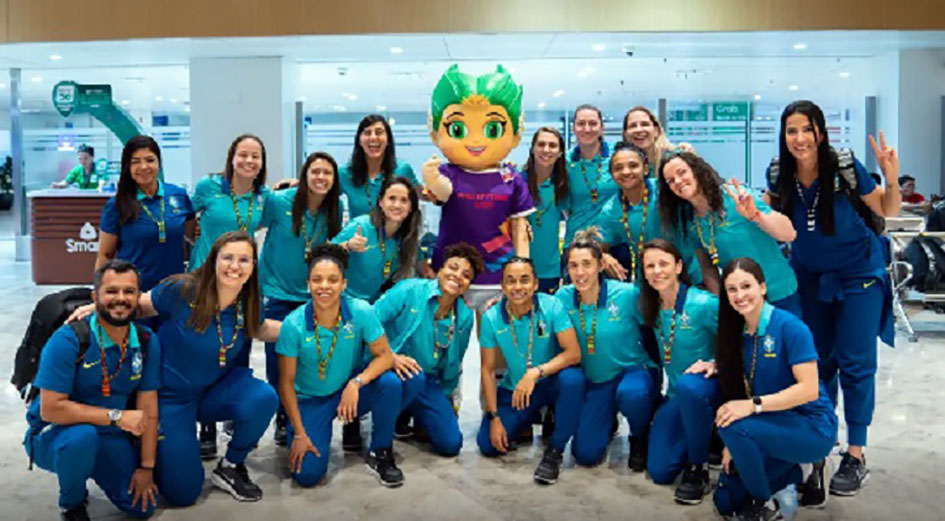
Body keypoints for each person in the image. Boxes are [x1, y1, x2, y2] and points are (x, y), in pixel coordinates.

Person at [766, 100, 899, 500]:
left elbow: (887, 210)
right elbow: (768, 223)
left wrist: (891, 179)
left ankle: (855, 454)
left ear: (820, 133)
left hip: (860, 275)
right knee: (816, 365)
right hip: (809, 280)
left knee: (856, 363)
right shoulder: (779, 175)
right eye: (792, 130)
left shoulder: (844, 167)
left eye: (807, 129)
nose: (800, 138)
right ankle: (819, 449)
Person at [26, 260, 160, 520]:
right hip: (57, 433)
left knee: (142, 507)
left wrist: (146, 468)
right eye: (111, 291)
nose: (120, 298)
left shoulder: (145, 342)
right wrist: (117, 416)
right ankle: (72, 503)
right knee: (81, 440)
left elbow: (149, 411)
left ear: (138, 297)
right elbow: (51, 409)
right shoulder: (68, 340)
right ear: (95, 297)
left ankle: (91, 466)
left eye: (129, 291)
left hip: (110, 435)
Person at [711, 257, 837, 521]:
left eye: (746, 286)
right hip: (771, 424)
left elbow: (809, 389)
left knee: (732, 424)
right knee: (727, 498)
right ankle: (801, 470)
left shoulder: (790, 327)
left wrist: (752, 407)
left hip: (810, 425)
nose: (740, 295)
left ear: (763, 287)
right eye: (732, 289)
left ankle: (763, 504)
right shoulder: (735, 331)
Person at [276, 244, 406, 487]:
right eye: (317, 280)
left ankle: (380, 450)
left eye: (333, 280)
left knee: (390, 383)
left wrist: (356, 383)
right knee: (307, 475)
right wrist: (300, 433)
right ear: (308, 284)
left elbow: (385, 356)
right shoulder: (292, 325)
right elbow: (286, 384)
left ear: (344, 284)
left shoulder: (361, 310)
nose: (324, 286)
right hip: (311, 400)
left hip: (347, 389)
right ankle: (308, 431)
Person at [422, 64, 533, 313]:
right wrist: (431, 177)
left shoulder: (511, 178)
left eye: (492, 129)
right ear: (436, 133)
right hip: (452, 275)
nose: (474, 140)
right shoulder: (448, 172)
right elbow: (442, 191)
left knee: (496, 332)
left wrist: (523, 267)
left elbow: (520, 229)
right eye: (458, 129)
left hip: (499, 274)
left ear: (515, 135)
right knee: (448, 329)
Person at [258, 152, 343, 445]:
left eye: (327, 173)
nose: (321, 177)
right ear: (304, 175)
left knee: (307, 358)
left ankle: (299, 411)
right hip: (277, 292)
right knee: (277, 359)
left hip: (311, 294)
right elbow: (251, 224)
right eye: (315, 171)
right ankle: (282, 415)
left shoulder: (334, 208)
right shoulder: (279, 201)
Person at [555, 228, 657, 471]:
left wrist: (656, 373)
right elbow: (537, 312)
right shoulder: (562, 298)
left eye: (587, 264)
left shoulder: (627, 294)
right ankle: (608, 419)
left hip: (630, 372)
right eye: (573, 266)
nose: (580, 273)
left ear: (601, 265)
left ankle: (639, 435)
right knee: (585, 454)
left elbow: (654, 328)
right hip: (597, 381)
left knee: (632, 395)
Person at [477, 257, 584, 484]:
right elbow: (487, 370)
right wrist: (493, 417)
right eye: (511, 281)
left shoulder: (552, 306)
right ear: (502, 285)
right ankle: (529, 418)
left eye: (524, 280)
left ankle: (555, 449)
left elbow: (573, 353)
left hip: (551, 381)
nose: (518, 287)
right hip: (517, 388)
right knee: (488, 444)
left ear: (535, 284)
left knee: (573, 380)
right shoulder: (491, 317)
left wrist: (536, 373)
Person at [374, 243, 484, 457]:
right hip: (392, 369)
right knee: (397, 384)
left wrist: (445, 399)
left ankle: (412, 411)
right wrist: (389, 356)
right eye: (453, 268)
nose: (457, 276)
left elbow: (455, 361)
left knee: (451, 444)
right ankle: (392, 418)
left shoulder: (464, 316)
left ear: (468, 284)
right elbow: (370, 321)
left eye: (466, 275)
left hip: (428, 380)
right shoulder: (410, 290)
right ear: (440, 269)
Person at [659, 150, 801, 314]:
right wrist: (721, 306)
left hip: (778, 294)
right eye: (670, 181)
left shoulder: (734, 197)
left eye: (682, 172)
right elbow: (707, 268)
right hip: (742, 301)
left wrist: (758, 216)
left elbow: (789, 234)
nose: (678, 181)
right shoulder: (689, 219)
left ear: (696, 170)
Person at [637, 239, 719, 505]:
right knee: (660, 471)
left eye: (663, 264)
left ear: (679, 266)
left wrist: (717, 362)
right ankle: (704, 435)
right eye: (650, 266)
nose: (657, 271)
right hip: (676, 395)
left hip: (707, 389)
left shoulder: (703, 303)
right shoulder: (650, 306)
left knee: (689, 386)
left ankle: (698, 467)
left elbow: (741, 337)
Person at [97, 136, 195, 296]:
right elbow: (105, 255)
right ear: (127, 166)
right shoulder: (116, 205)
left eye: (150, 160)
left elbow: (191, 236)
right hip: (134, 293)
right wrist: (101, 293)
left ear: (159, 163)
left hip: (174, 291)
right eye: (135, 162)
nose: (143, 167)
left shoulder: (178, 195)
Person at [332, 176, 422, 303]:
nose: (397, 205)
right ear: (381, 202)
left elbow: (420, 264)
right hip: (341, 299)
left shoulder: (407, 238)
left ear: (411, 207)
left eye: (404, 200)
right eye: (392, 198)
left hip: (374, 304)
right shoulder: (361, 226)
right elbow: (325, 254)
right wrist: (348, 245)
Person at [189, 134, 271, 271]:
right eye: (243, 155)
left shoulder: (264, 194)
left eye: (255, 156)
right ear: (231, 158)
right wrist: (193, 235)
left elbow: (259, 223)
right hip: (205, 271)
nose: (249, 160)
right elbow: (184, 216)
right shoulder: (208, 185)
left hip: (239, 272)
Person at [338, 114, 419, 219]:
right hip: (358, 229)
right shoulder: (344, 173)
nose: (373, 137)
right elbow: (325, 200)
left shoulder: (402, 169)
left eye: (379, 132)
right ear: (359, 141)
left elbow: (425, 196)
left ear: (388, 139)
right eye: (367, 133)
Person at [563, 104, 619, 247]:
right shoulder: (564, 162)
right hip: (576, 243)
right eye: (581, 124)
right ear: (573, 128)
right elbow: (564, 206)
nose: (587, 129)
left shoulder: (617, 157)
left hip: (613, 244)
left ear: (602, 128)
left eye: (593, 123)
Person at [522, 127, 569, 294]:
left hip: (550, 271)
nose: (546, 150)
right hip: (519, 267)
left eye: (552, 145)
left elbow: (571, 219)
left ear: (560, 153)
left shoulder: (562, 185)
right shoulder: (518, 182)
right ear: (533, 149)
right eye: (541, 144)